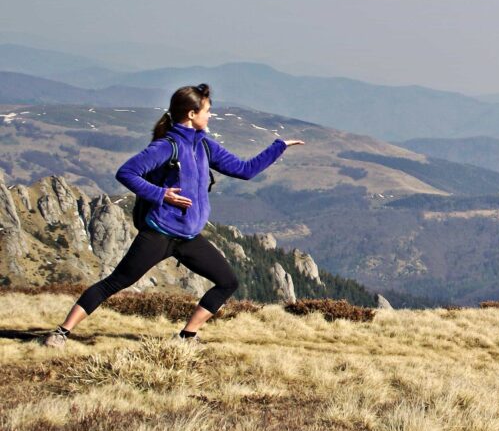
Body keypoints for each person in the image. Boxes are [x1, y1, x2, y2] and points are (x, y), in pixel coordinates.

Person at [42, 84, 304, 348]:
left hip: (189, 237)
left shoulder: (204, 146)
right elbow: (126, 172)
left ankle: (187, 336)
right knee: (115, 282)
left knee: (228, 282)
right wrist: (161, 194)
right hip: (159, 232)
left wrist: (279, 146)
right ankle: (61, 333)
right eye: (207, 111)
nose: (210, 116)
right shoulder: (167, 146)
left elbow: (245, 170)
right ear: (191, 114)